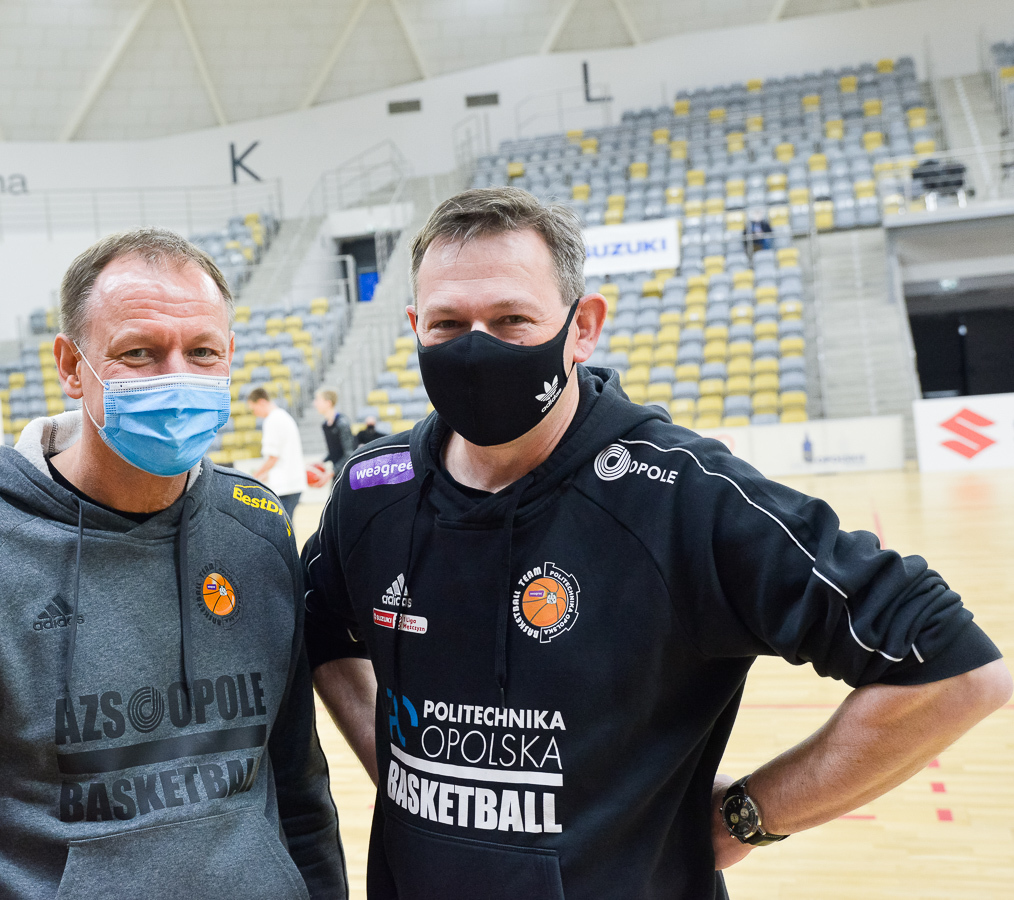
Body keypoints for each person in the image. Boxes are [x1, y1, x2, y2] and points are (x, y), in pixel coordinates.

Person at [302, 187, 1010, 899]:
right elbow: (321, 630)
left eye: (512, 319)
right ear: (414, 326)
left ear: (583, 327)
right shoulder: (371, 492)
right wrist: (399, 774)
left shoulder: (682, 496)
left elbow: (954, 669)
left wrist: (749, 817)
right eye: (448, 324)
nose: (477, 347)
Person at [0, 228, 347, 900]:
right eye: (139, 353)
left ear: (230, 357)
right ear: (72, 365)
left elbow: (300, 791)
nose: (177, 377)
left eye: (202, 352)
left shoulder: (258, 529)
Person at [250, 387, 307, 518]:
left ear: (261, 402)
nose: (255, 413)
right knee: (286, 525)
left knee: (280, 527)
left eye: (254, 409)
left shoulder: (272, 420)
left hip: (284, 485)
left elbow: (273, 457)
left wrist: (255, 477)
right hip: (292, 482)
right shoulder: (283, 416)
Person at [313, 388, 356, 483]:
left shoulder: (342, 423)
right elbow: (334, 451)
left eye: (318, 400)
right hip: (337, 472)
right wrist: (321, 462)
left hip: (348, 473)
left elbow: (349, 454)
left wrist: (331, 472)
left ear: (328, 403)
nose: (315, 404)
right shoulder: (325, 425)